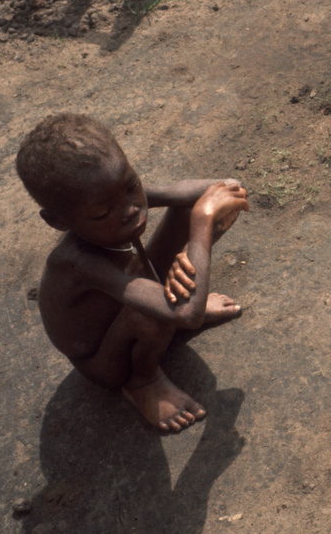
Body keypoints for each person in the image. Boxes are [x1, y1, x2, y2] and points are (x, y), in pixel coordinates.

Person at [16, 113, 250, 433]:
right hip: (106, 361)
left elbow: (224, 189)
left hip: (136, 292)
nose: (130, 210)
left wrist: (209, 207)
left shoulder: (114, 195)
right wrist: (201, 225)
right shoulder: (77, 261)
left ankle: (181, 300)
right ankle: (143, 379)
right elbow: (187, 314)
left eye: (132, 185)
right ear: (58, 221)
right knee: (152, 312)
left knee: (192, 208)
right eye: (103, 213)